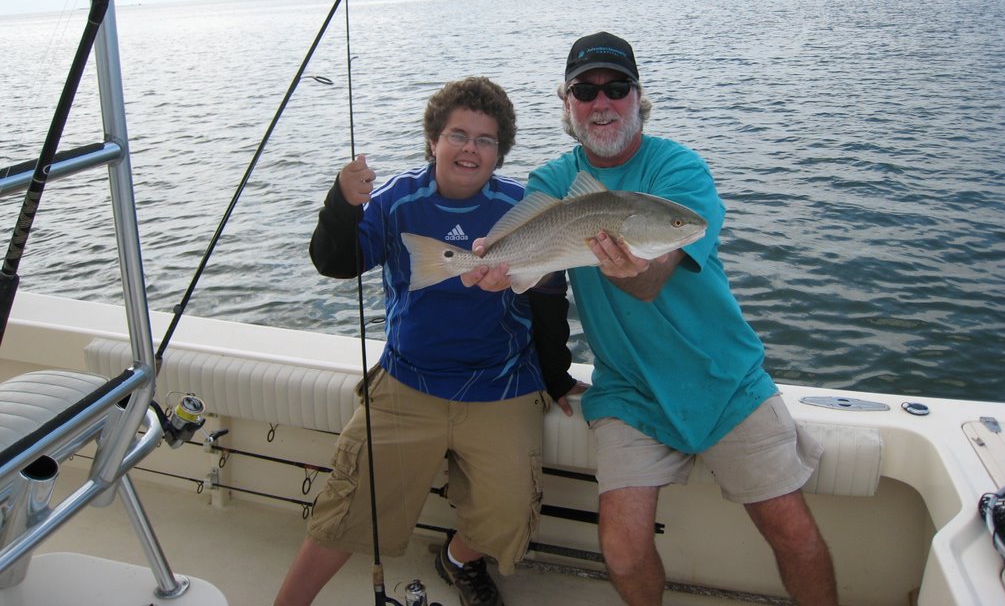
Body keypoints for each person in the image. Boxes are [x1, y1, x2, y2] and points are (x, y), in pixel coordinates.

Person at [465, 34, 838, 606]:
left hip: (723, 378)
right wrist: (503, 272)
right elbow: (541, 284)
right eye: (585, 91)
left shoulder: (678, 169)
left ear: (639, 98)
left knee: (793, 532)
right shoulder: (551, 183)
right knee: (622, 546)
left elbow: (651, 277)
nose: (602, 102)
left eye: (617, 88)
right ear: (567, 104)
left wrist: (630, 268)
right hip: (630, 389)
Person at [274, 76, 580, 606]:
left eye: (485, 140)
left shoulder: (520, 204)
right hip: (408, 381)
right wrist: (343, 204)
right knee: (349, 508)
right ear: (434, 139)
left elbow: (549, 296)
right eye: (458, 135)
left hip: (501, 386)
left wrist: (556, 377)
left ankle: (459, 557)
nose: (470, 149)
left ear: (499, 151)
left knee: (510, 517)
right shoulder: (397, 200)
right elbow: (336, 261)